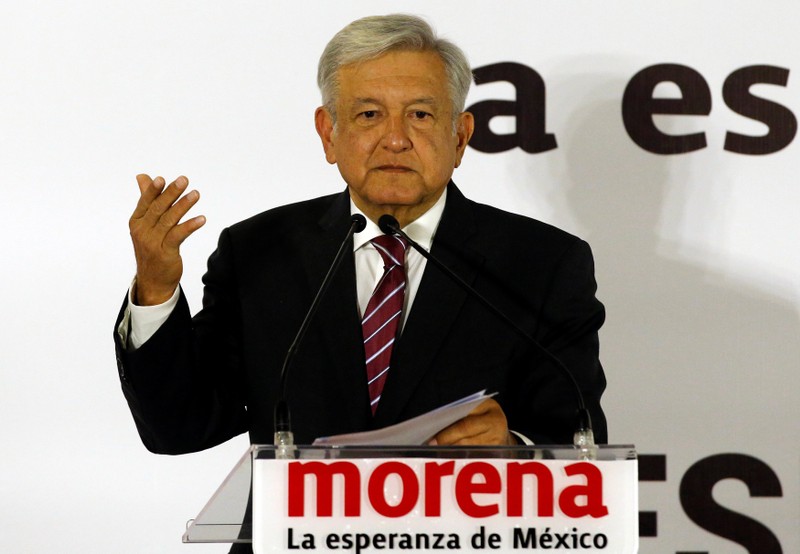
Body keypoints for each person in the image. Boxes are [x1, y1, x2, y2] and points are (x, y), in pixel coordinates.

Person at [115, 14, 607, 458]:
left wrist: (510, 445)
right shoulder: (259, 253)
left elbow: (581, 443)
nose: (395, 138)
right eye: (369, 114)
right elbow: (179, 428)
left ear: (460, 136)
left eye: (420, 114)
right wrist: (155, 289)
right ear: (329, 133)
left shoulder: (541, 263)